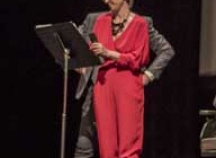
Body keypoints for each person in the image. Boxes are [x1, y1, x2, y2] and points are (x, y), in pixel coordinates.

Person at [74, 10, 176, 158]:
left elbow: (166, 50)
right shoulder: (94, 19)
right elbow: (72, 43)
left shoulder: (142, 23)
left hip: (124, 91)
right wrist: (80, 65)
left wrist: (147, 75)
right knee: (84, 146)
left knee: (125, 146)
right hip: (96, 88)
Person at [87, 0, 151, 158]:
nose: (106, 0)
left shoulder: (140, 23)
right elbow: (95, 54)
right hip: (104, 83)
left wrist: (109, 53)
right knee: (107, 145)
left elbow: (139, 58)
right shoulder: (101, 21)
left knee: (129, 143)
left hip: (127, 82)